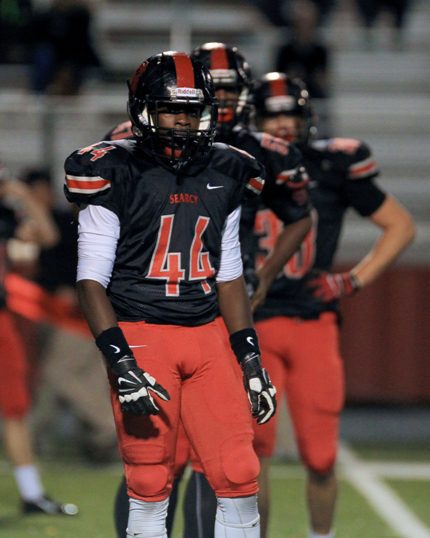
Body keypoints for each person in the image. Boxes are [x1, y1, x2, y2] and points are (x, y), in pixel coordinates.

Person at [64, 50, 278, 538]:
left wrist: (249, 358)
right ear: (143, 110)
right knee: (149, 476)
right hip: (142, 333)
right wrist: (119, 362)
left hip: (207, 335)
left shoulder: (227, 169)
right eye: (170, 109)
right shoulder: (111, 168)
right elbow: (91, 280)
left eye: (191, 109)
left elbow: (228, 275)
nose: (182, 121)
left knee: (239, 471)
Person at [110, 42, 313, 538]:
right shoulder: (126, 148)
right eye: (212, 89)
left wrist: (260, 277)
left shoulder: (255, 154)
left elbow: (299, 216)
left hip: (221, 307)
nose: (219, 101)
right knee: (159, 461)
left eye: (227, 90)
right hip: (152, 312)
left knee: (224, 459)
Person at [249, 72, 415, 538]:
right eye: (272, 115)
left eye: (290, 115)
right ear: (255, 118)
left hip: (310, 321)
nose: (282, 125)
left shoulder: (330, 165)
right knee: (250, 456)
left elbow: (400, 226)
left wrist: (351, 281)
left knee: (321, 456)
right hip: (253, 324)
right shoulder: (238, 163)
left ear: (307, 119)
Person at [21, 168, 117, 463]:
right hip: (67, 317)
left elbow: (80, 272)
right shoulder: (62, 222)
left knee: (59, 374)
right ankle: (33, 440)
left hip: (76, 318)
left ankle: (109, 429)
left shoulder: (69, 223)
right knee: (61, 380)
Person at [0, 161, 78, 516]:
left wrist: (23, 195)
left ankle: (32, 494)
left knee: (15, 405)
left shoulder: (7, 216)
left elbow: (47, 235)